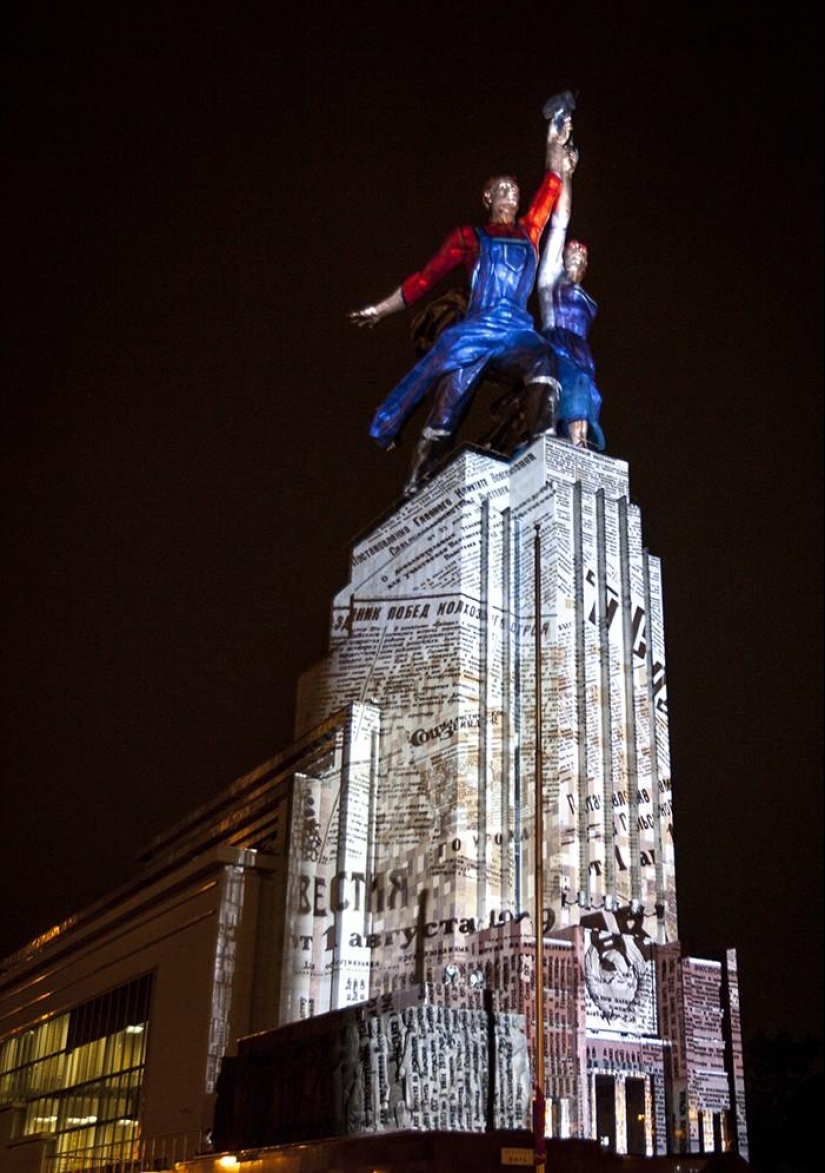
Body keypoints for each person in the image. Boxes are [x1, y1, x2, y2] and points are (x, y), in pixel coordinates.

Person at [349, 94, 576, 496]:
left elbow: (552, 184)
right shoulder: (467, 238)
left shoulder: (529, 232)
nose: (510, 194)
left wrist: (554, 136)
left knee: (544, 358)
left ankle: (546, 443)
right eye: (502, 189)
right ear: (488, 198)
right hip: (476, 329)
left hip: (515, 331)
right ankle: (416, 479)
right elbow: (423, 280)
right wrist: (381, 310)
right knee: (446, 407)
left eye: (514, 189)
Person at [536, 144, 605, 450]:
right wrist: (566, 173)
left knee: (585, 387)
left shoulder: (587, 299)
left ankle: (580, 443)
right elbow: (560, 221)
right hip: (556, 342)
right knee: (574, 382)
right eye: (571, 254)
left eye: (581, 257)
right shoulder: (550, 280)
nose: (575, 257)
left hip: (581, 350)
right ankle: (571, 441)